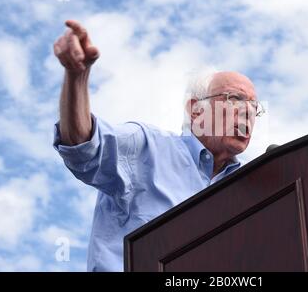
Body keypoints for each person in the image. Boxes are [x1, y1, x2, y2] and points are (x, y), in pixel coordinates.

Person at [52, 20, 264, 271]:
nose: (247, 112)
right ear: (196, 110)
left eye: (254, 107)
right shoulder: (145, 147)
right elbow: (84, 148)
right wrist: (77, 77)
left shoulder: (252, 186)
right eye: (234, 99)